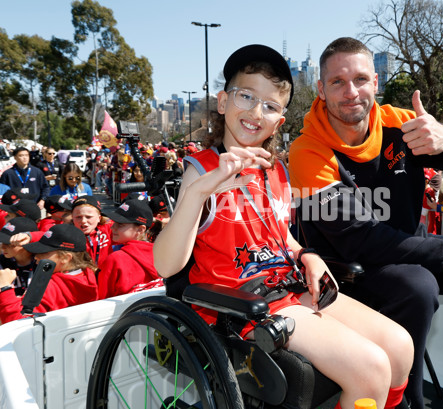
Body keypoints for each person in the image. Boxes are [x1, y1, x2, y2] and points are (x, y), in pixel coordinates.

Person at [288, 37, 443, 409]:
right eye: (338, 82)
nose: (351, 92)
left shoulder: (401, 124)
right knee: (418, 286)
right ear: (321, 89)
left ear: (376, 82)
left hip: (408, 252)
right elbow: (363, 241)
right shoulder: (307, 150)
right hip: (345, 270)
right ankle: (405, 400)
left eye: (360, 79)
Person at [154, 44, 413, 409]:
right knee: (370, 369)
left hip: (286, 287)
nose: (257, 112)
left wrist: (305, 254)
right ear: (224, 101)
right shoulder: (201, 169)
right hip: (241, 305)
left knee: (400, 347)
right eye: (246, 96)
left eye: (271, 106)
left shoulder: (276, 171)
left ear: (280, 120)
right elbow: (166, 266)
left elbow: (279, 236)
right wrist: (199, 194)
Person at [0, 223, 97, 325]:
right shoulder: (88, 272)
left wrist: (5, 288)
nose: (36, 257)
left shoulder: (49, 286)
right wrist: (30, 236)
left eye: (44, 252)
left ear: (65, 258)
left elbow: (17, 324)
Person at [97, 199, 161, 299]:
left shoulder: (116, 259)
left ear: (140, 229)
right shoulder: (161, 252)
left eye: (120, 225)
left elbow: (101, 298)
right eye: (114, 223)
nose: (112, 227)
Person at [0, 217, 39, 296]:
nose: (2, 247)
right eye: (1, 242)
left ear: (26, 242)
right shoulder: (2, 261)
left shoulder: (41, 262)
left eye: (8, 244)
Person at [71, 195, 113, 266]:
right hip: (83, 275)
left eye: (88, 217)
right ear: (72, 217)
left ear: (99, 218)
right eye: (78, 217)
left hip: (106, 273)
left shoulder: (108, 229)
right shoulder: (67, 235)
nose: (83, 221)